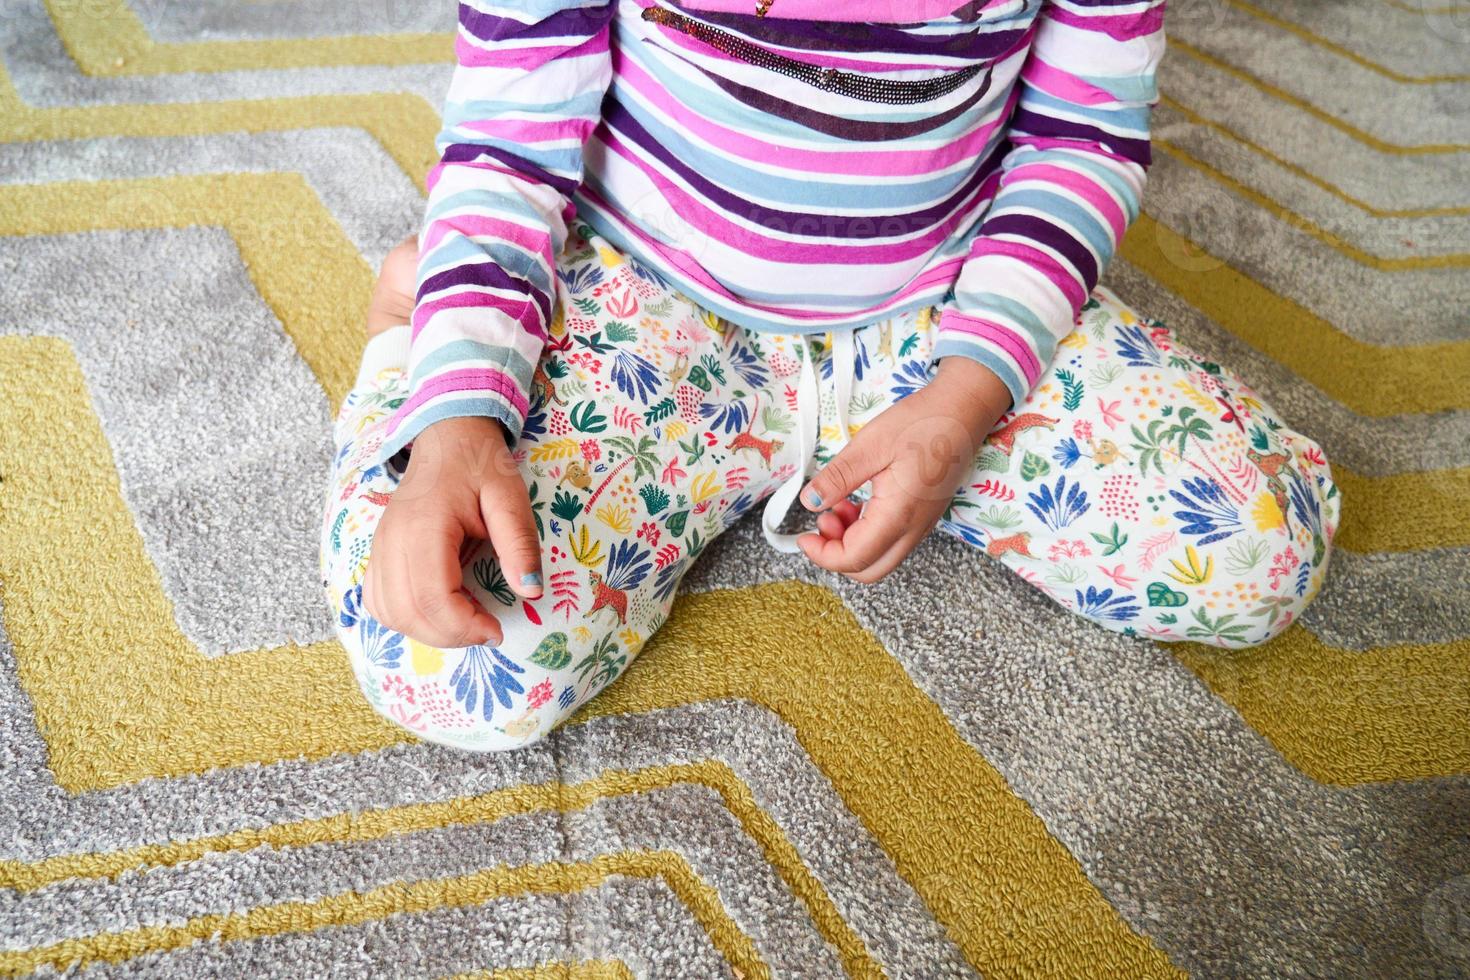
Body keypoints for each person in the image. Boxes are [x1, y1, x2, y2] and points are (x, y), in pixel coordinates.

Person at [321, 0, 1340, 751]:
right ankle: (409, 324)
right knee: (457, 653)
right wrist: (456, 415)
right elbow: (508, 135)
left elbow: (1079, 138)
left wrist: (967, 394)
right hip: (653, 291)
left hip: (937, 308)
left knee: (1261, 544)